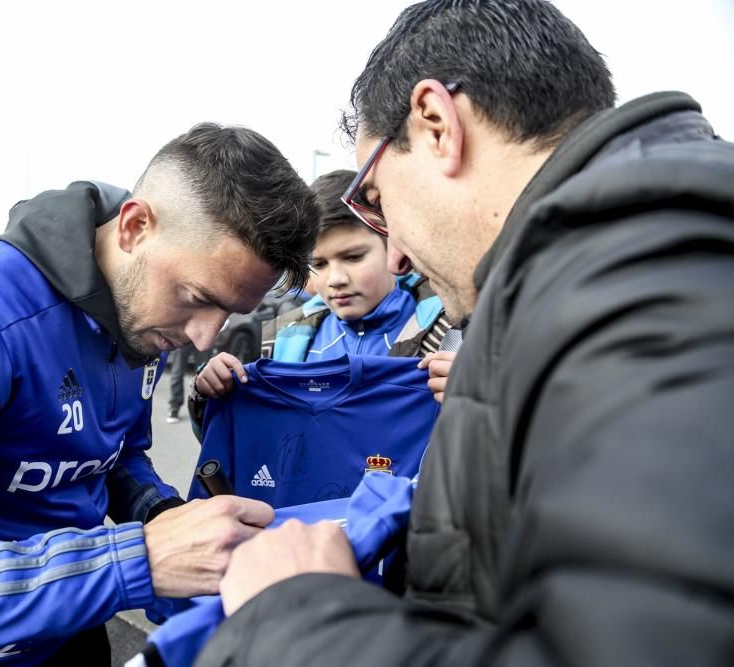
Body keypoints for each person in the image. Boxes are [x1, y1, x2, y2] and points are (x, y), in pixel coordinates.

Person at [196, 2, 734, 665]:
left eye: (376, 201)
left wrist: (302, 615)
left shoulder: (652, 279)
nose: (393, 256)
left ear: (436, 125)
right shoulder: (589, 283)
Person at [0, 123, 320, 666]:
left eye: (228, 314)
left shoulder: (146, 313)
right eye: (196, 298)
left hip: (76, 629)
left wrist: (168, 520)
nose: (204, 337)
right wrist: (141, 561)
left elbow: (113, 455)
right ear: (134, 227)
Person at [194, 169, 449, 401]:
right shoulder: (285, 339)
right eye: (319, 263)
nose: (336, 279)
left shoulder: (451, 331)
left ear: (389, 244)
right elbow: (252, 430)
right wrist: (209, 393)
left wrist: (477, 396)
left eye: (353, 257)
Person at [167, 344, 196, 423]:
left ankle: (204, 409)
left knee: (204, 372)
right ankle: (174, 408)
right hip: (184, 335)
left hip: (204, 335)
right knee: (177, 372)